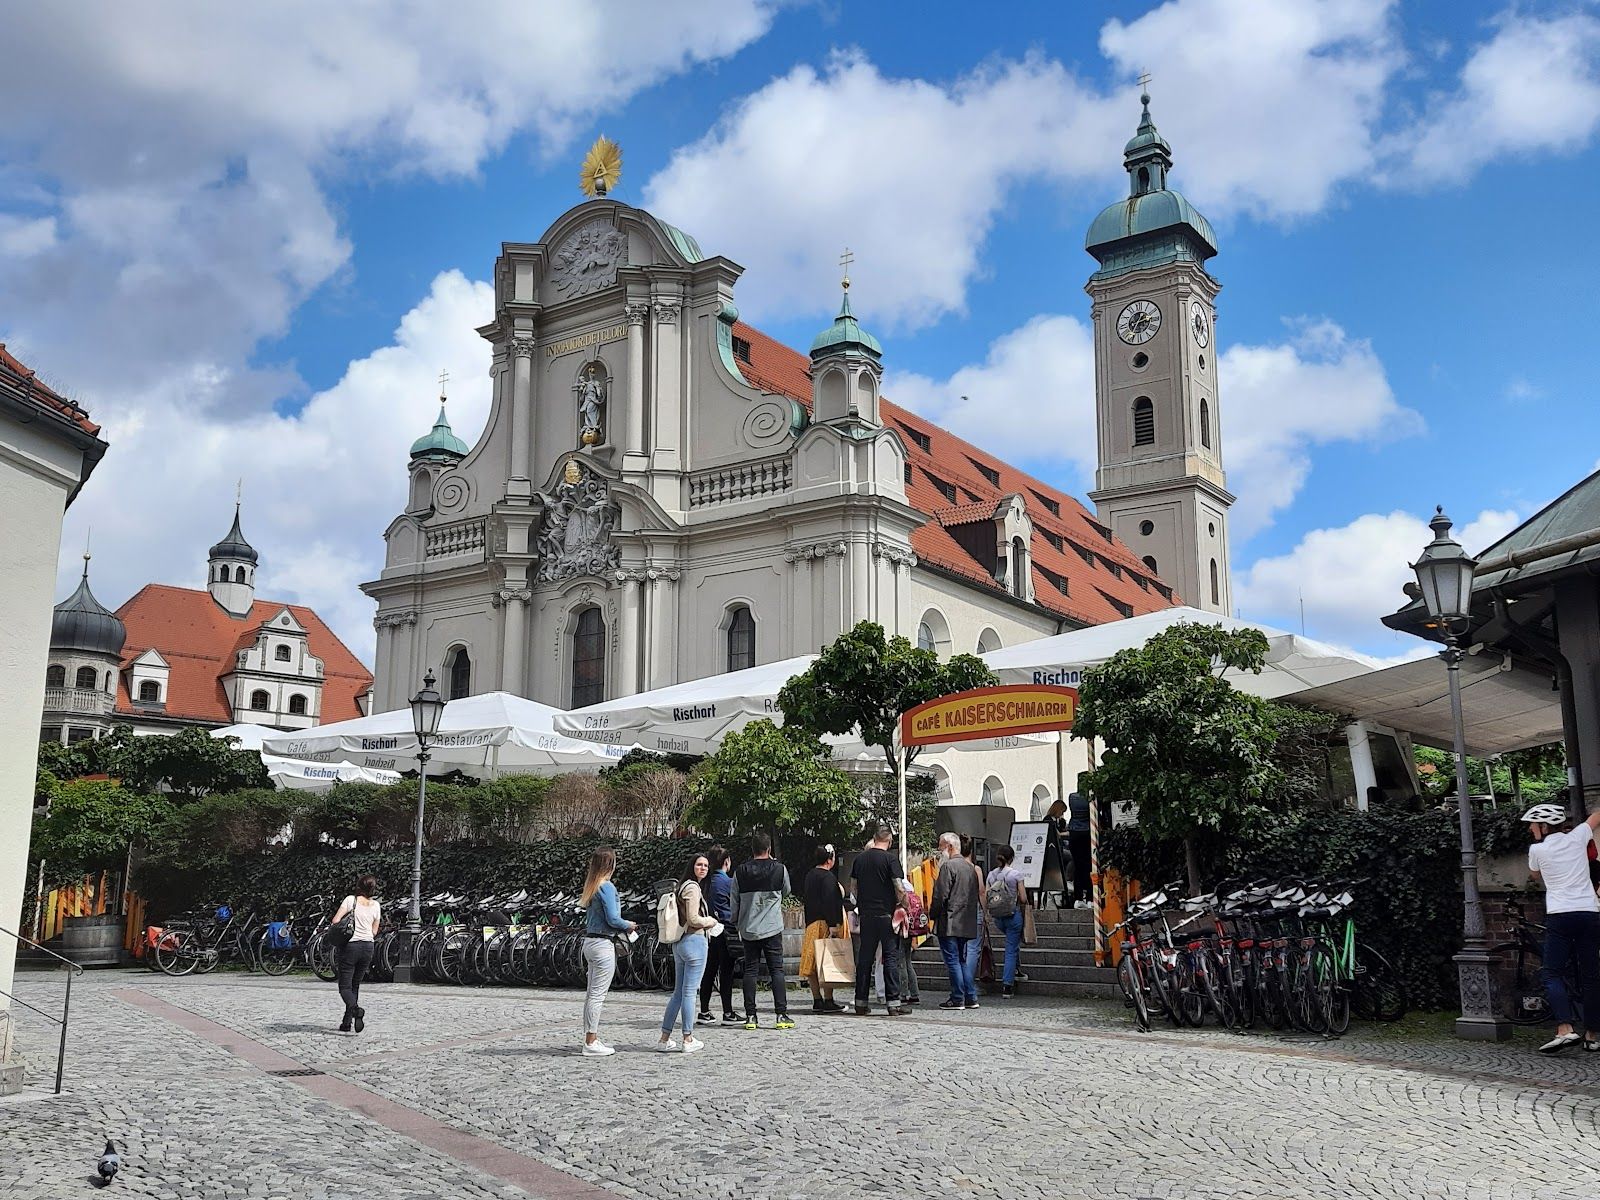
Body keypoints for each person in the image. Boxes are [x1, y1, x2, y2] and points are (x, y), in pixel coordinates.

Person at [1523, 802, 1600, 1053]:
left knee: (1551, 973)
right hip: (1589, 911)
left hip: (1561, 915)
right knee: (1591, 975)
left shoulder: (1537, 849)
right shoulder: (1578, 836)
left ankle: (1565, 1029)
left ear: (1544, 827)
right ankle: (1592, 1035)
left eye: (1533, 825)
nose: (1531, 829)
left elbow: (1534, 875)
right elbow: (1596, 817)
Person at [730, 832, 794, 1030]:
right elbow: (786, 891)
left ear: (752, 849)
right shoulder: (779, 869)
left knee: (750, 970)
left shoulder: (741, 871)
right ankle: (781, 1015)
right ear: (769, 849)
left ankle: (751, 1016)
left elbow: (734, 900)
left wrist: (736, 922)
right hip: (772, 927)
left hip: (749, 928)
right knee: (777, 970)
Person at [658, 853, 718, 1053]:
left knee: (678, 993)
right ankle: (688, 1038)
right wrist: (710, 921)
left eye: (706, 865)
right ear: (692, 866)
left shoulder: (682, 886)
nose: (703, 868)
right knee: (690, 992)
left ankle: (664, 1038)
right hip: (695, 942)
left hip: (680, 942)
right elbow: (693, 918)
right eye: (699, 865)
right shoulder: (693, 888)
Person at [580, 846, 635, 1056]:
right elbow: (613, 918)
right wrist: (628, 925)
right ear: (611, 864)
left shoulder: (592, 886)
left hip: (590, 942)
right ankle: (591, 1041)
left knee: (591, 994)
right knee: (597, 995)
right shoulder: (607, 887)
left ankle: (590, 1037)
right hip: (604, 944)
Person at [850, 823, 904, 1016]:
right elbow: (899, 887)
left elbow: (853, 887)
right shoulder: (890, 860)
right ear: (889, 840)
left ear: (874, 838)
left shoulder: (860, 859)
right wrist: (903, 905)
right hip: (886, 915)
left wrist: (861, 903)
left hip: (866, 914)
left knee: (865, 958)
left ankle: (860, 1002)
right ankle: (893, 1003)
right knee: (890, 958)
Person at [931, 833, 980, 1009]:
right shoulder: (971, 868)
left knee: (952, 960)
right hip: (966, 920)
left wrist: (932, 914)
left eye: (940, 846)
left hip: (950, 921)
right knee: (962, 960)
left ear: (949, 847)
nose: (939, 850)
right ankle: (970, 996)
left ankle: (958, 997)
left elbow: (940, 896)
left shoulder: (948, 867)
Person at [800, 844, 847, 1014]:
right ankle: (828, 999)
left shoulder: (810, 875)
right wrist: (833, 925)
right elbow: (829, 902)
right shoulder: (828, 877)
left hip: (811, 924)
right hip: (824, 924)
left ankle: (816, 999)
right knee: (827, 962)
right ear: (829, 860)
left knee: (812, 964)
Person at [331, 875, 381, 1033]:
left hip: (351, 946)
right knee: (355, 985)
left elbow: (335, 920)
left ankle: (355, 1009)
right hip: (368, 947)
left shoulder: (350, 900)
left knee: (344, 987)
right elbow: (374, 931)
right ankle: (347, 1023)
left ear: (359, 886)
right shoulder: (376, 905)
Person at [697, 844, 739, 1025]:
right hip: (726, 929)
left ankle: (704, 1010)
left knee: (709, 970)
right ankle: (728, 1012)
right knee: (726, 972)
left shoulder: (705, 883)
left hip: (708, 929)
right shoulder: (729, 883)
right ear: (726, 862)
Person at [988, 843, 1028, 997]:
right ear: (1012, 858)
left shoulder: (991, 875)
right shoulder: (1016, 875)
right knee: (1010, 949)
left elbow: (987, 895)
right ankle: (1007, 985)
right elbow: (1023, 898)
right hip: (1013, 916)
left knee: (1013, 943)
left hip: (998, 918)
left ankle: (1016, 970)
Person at [961, 835, 986, 991]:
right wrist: (985, 911)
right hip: (974, 910)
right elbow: (981, 891)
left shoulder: (952, 867)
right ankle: (969, 985)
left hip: (958, 913)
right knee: (972, 948)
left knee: (961, 949)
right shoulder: (975, 869)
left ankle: (960, 984)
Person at [893, 877, 924, 1005]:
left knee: (901, 963)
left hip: (902, 932)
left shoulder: (902, 896)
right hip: (911, 932)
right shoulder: (912, 893)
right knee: (908, 962)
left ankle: (903, 993)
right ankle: (915, 993)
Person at [1068, 791, 1093, 908]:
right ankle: (1090, 898)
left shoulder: (1072, 797)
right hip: (1088, 831)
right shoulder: (1091, 797)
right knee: (1090, 866)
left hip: (1074, 833)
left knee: (1077, 867)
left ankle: (1078, 898)